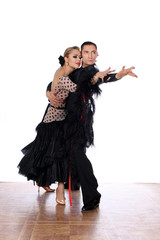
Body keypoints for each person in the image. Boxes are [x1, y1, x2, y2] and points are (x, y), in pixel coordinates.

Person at [47, 41, 137, 211]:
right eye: (86, 52)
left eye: (92, 52)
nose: (89, 55)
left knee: (76, 152)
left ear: (97, 55)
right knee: (71, 152)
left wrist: (119, 75)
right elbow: (60, 80)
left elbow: (100, 78)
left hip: (79, 120)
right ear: (81, 55)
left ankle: (92, 196)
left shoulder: (92, 71)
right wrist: (48, 91)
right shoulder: (77, 70)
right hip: (67, 118)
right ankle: (74, 184)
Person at [18, 46, 82, 203]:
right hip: (55, 121)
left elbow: (50, 85)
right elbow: (80, 90)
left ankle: (42, 181)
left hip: (56, 118)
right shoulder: (65, 78)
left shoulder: (62, 71)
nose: (79, 60)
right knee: (57, 154)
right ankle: (60, 192)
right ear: (66, 58)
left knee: (49, 153)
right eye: (75, 56)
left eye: (79, 57)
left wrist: (47, 92)